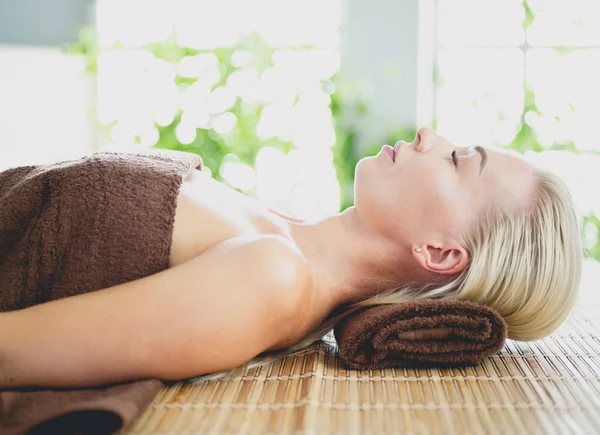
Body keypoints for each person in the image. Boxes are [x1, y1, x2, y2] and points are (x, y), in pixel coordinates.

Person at [0, 126, 583, 387]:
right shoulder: (287, 219)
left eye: (458, 160)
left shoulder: (272, 281)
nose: (429, 136)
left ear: (438, 252)